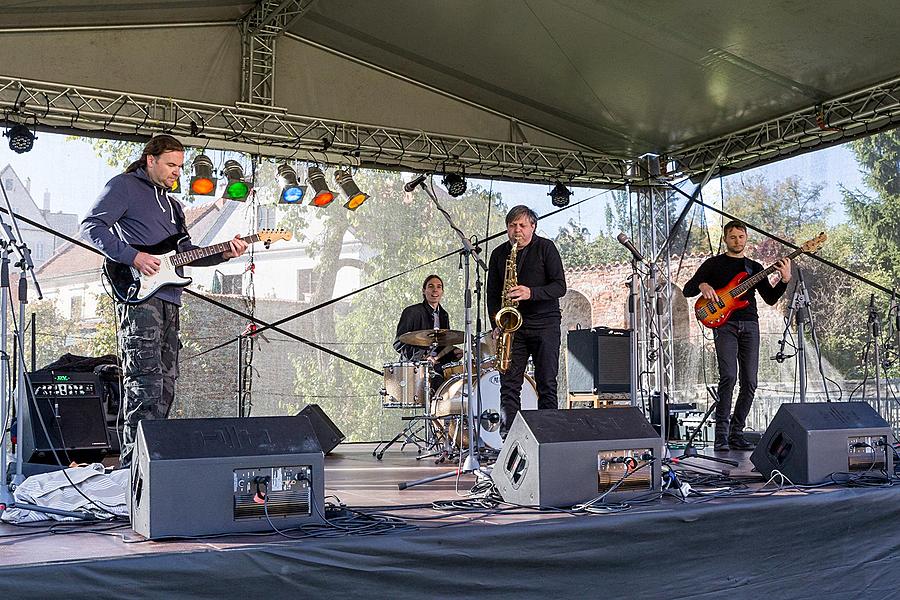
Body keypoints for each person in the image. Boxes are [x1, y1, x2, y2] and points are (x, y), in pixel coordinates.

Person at [81, 134, 248, 468]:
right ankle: (132, 470)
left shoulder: (173, 206)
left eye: (180, 167)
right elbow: (90, 227)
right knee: (144, 383)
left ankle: (154, 467)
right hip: (139, 295)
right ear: (150, 160)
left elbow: (184, 254)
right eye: (171, 165)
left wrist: (224, 254)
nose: (177, 172)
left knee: (166, 384)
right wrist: (133, 256)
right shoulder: (124, 186)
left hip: (171, 298)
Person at [683, 220, 791, 451]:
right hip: (725, 325)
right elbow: (687, 290)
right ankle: (720, 435)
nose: (737, 241)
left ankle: (736, 433)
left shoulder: (754, 267)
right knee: (729, 376)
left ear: (746, 238)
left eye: (741, 237)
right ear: (725, 239)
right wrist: (702, 284)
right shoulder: (713, 264)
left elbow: (770, 299)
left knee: (750, 381)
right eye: (732, 237)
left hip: (750, 324)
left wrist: (784, 280)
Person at [487, 205, 566, 435]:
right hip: (513, 328)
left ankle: (549, 438)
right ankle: (508, 441)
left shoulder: (546, 248)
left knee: (547, 384)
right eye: (512, 226)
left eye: (522, 225)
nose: (517, 230)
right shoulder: (499, 254)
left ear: (533, 226)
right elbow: (493, 293)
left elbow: (560, 286)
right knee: (509, 386)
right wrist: (497, 324)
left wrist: (530, 292)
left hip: (545, 325)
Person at [394, 274, 462, 389]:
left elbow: (441, 346)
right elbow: (398, 343)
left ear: (442, 292)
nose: (435, 289)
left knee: (460, 379)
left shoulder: (444, 315)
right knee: (438, 381)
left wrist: (454, 353)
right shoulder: (412, 312)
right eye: (431, 286)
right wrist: (422, 356)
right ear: (424, 291)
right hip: (415, 368)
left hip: (437, 365)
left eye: (439, 287)